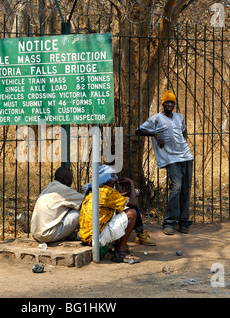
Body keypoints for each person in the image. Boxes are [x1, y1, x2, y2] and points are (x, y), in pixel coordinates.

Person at [135, 90, 194, 235]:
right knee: (177, 186)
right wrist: (156, 135)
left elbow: (184, 130)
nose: (170, 104)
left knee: (186, 188)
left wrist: (184, 142)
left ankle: (184, 221)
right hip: (170, 158)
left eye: (172, 102)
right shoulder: (156, 119)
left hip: (185, 156)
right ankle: (169, 222)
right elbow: (139, 130)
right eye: (167, 102)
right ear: (163, 103)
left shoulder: (179, 117)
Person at [78, 165, 141, 263]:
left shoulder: (96, 191)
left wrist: (120, 188)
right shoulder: (107, 192)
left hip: (86, 236)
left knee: (118, 211)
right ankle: (121, 251)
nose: (114, 179)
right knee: (132, 213)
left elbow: (117, 197)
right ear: (104, 178)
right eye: (112, 176)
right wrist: (131, 183)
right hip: (95, 238)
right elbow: (133, 203)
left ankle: (118, 247)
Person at [31, 166, 85, 243]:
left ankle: (70, 234)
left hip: (36, 233)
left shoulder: (49, 187)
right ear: (66, 179)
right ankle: (82, 234)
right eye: (71, 179)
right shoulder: (63, 190)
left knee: (70, 206)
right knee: (81, 208)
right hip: (47, 235)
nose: (71, 181)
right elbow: (85, 200)